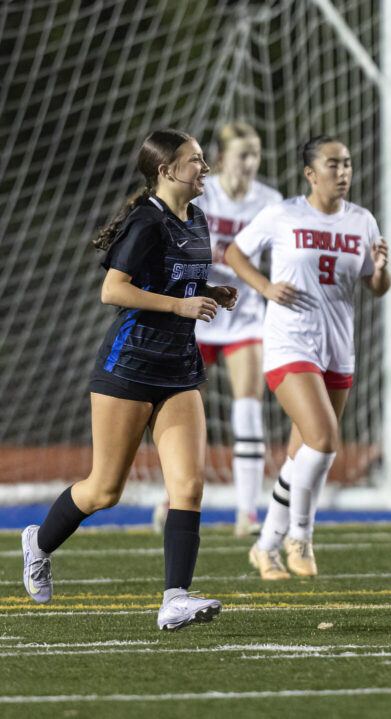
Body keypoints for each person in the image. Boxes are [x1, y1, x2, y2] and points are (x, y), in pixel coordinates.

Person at [20, 129, 236, 630]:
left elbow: (176, 279)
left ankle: (174, 598)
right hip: (129, 368)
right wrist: (181, 304)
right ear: (166, 170)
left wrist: (210, 290)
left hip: (179, 370)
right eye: (196, 160)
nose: (205, 168)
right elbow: (113, 290)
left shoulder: (198, 218)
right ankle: (39, 541)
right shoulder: (146, 220)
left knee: (189, 485)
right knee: (104, 489)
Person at [225, 136, 391, 580]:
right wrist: (263, 287)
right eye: (333, 164)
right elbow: (234, 252)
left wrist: (380, 269)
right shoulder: (283, 213)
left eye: (348, 164)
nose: (343, 172)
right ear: (310, 173)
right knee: (324, 439)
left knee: (305, 455)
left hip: (337, 348)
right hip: (289, 343)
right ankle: (301, 535)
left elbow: (377, 286)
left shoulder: (362, 221)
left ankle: (265, 548)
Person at [192, 121, 283, 538]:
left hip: (245, 314)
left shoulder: (271, 201)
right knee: (184, 409)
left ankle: (246, 512)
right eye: (244, 154)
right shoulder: (200, 195)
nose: (251, 163)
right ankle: (174, 495)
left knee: (248, 406)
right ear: (223, 158)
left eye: (256, 154)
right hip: (199, 311)